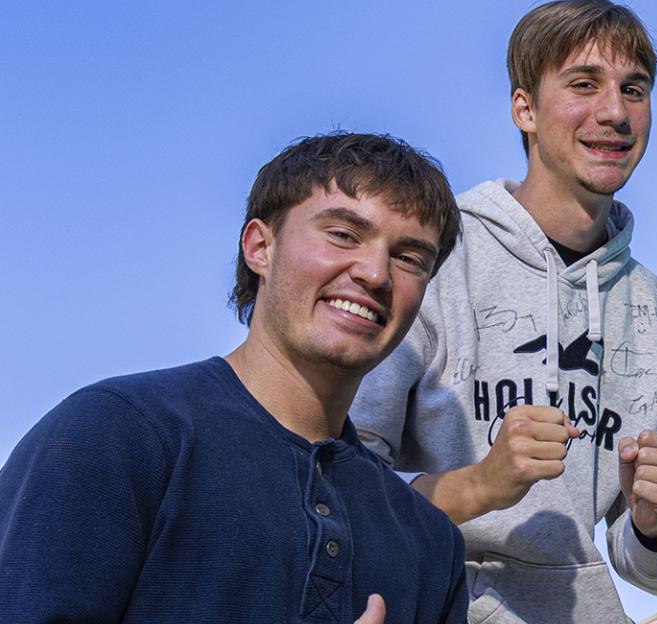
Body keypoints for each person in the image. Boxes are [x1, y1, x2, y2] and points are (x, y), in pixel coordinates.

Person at [0, 132, 467, 623]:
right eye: (343, 235)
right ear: (259, 246)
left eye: (410, 258)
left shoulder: (430, 543)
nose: (375, 273)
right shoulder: (115, 435)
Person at [351, 0, 657, 622]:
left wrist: (655, 519)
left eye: (634, 88)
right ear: (525, 109)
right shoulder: (431, 257)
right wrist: (479, 484)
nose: (615, 112)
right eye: (584, 84)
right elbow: (338, 491)